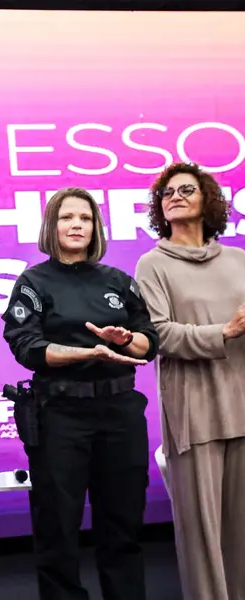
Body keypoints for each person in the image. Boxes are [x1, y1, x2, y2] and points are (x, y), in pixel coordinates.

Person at [1, 187, 159, 600]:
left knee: (123, 527)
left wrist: (122, 340)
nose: (77, 225)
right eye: (67, 217)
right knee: (58, 530)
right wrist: (87, 352)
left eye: (85, 219)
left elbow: (149, 343)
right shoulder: (33, 281)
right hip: (59, 414)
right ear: (52, 225)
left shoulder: (118, 281)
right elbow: (26, 346)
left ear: (96, 228)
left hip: (119, 411)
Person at [134, 162, 245, 600]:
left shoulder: (239, 259)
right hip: (193, 412)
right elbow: (159, 334)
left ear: (208, 200)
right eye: (167, 193)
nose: (176, 196)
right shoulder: (152, 264)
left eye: (187, 189)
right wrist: (224, 332)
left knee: (241, 529)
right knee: (202, 535)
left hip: (242, 401)